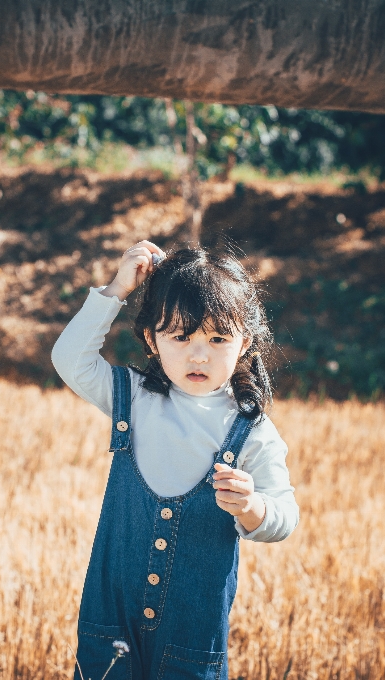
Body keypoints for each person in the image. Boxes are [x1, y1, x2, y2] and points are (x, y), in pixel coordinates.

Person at [52, 240, 299, 680]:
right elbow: (69, 359)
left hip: (192, 642)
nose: (198, 354)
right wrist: (117, 287)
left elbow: (285, 515)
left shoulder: (252, 431)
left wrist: (253, 508)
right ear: (151, 339)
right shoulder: (133, 399)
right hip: (109, 629)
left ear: (244, 343)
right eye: (180, 337)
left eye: (218, 338)